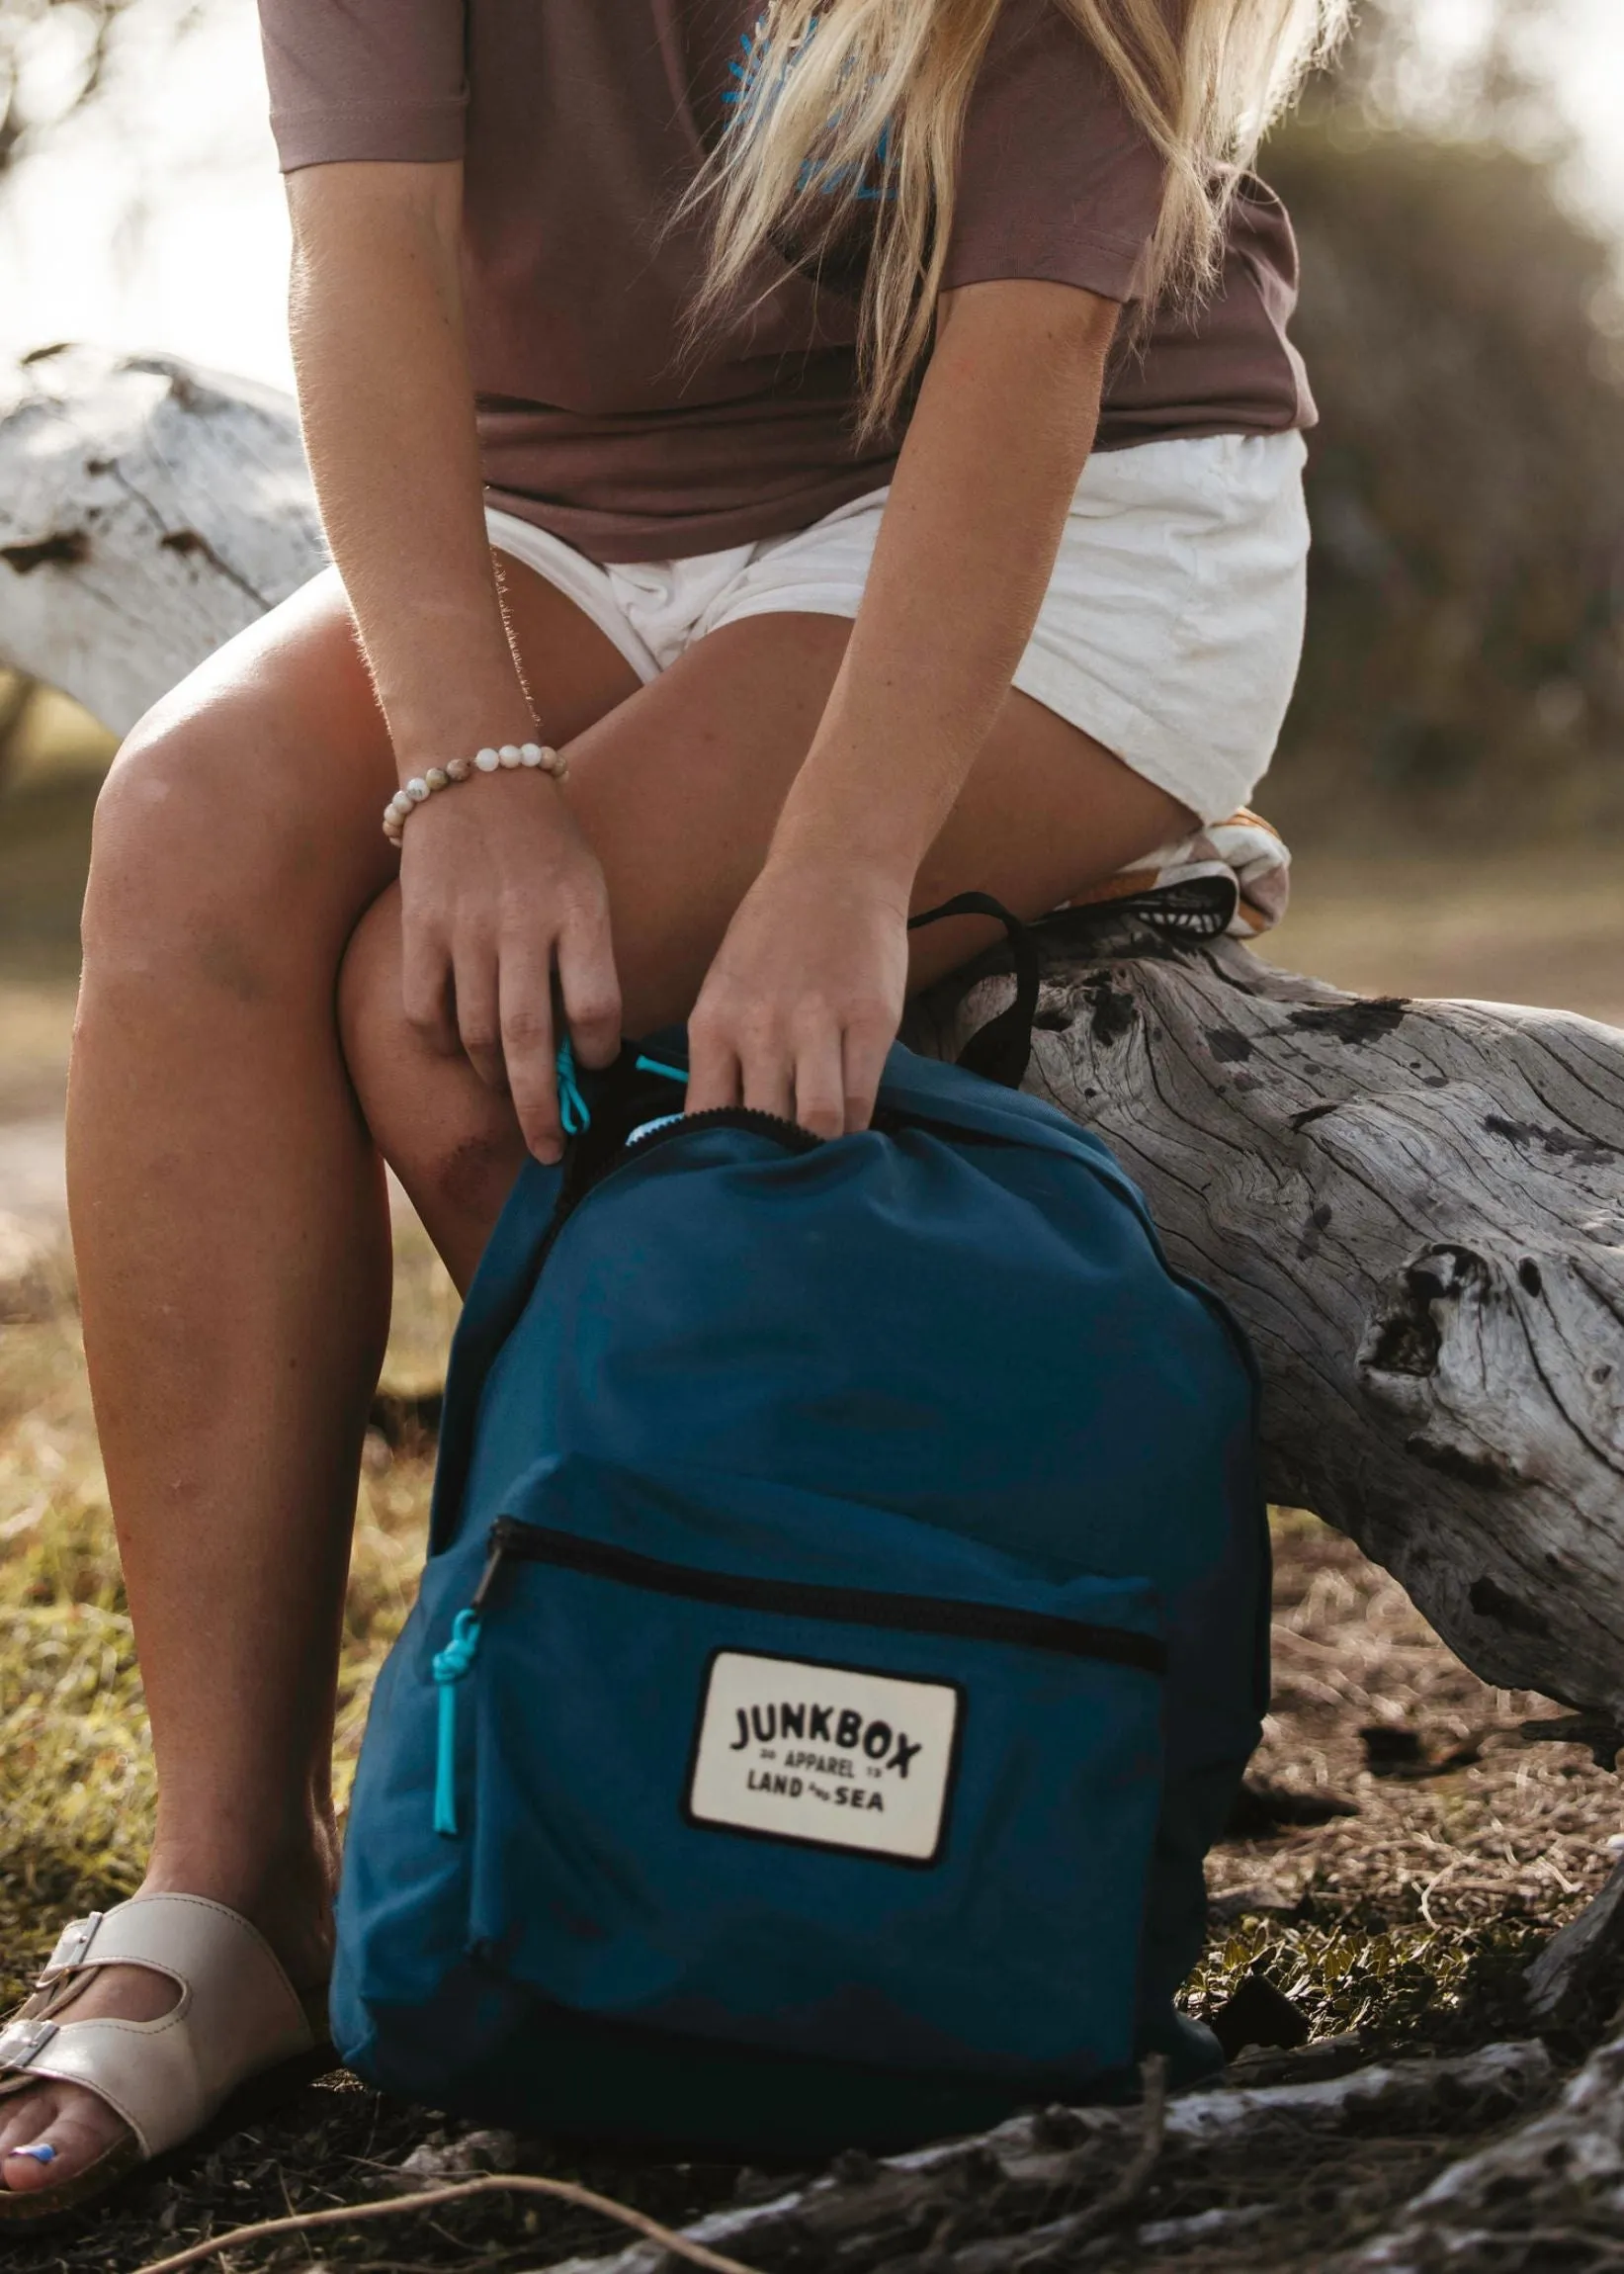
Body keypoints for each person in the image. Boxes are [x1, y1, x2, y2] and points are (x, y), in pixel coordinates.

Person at [0, 0, 1342, 2209]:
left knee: (449, 1021)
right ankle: (235, 1885)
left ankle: (709, 1739)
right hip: (566, 507)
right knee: (187, 832)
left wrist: (839, 860)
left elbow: (1024, 359)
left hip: (1055, 511)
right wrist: (468, 762)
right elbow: (364, 263)